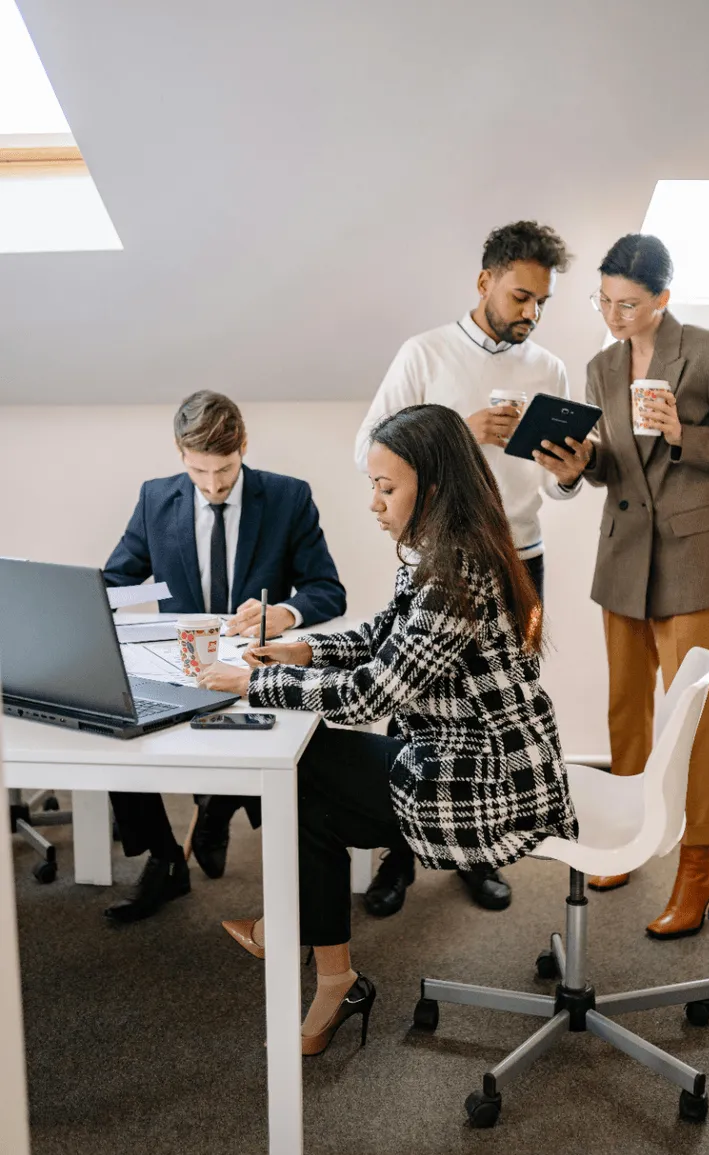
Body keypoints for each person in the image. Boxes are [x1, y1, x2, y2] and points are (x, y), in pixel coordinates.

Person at [199, 404, 577, 1056]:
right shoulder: (444, 551)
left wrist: (251, 684)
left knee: (309, 765)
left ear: (433, 485)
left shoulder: (456, 572)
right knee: (311, 792)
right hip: (473, 754)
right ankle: (332, 975)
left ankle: (302, 940)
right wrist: (303, 651)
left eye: (386, 486)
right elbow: (383, 637)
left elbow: (374, 693)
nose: (374, 502)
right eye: (372, 484)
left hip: (491, 777)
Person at [353, 220, 591, 916]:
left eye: (541, 302)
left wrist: (569, 474)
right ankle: (395, 858)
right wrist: (458, 429)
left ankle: (479, 855)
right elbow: (368, 448)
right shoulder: (424, 354)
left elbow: (551, 488)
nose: (531, 313)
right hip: (442, 558)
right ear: (484, 281)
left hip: (523, 560)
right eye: (521, 296)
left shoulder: (548, 369)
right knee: (414, 706)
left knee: (501, 709)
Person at [536, 233, 709, 938]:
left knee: (691, 718)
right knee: (626, 707)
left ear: (662, 298)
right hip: (624, 556)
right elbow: (611, 463)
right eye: (603, 301)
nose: (613, 315)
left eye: (628, 303)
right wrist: (576, 467)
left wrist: (681, 434)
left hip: (696, 558)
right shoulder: (601, 365)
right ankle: (627, 837)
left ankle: (697, 864)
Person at [102, 390, 346, 923]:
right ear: (178, 452)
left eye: (226, 471)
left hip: (255, 664)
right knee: (115, 726)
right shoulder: (154, 498)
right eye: (199, 472)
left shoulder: (287, 497)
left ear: (244, 448)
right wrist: (101, 604)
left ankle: (220, 806)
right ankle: (166, 860)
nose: (213, 486)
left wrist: (286, 611)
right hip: (180, 662)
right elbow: (117, 578)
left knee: (273, 754)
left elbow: (329, 590)